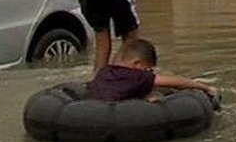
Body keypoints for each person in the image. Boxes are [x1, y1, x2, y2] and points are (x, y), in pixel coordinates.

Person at [86, 38, 217, 102]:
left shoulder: (104, 71)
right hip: (118, 115)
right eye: (148, 69)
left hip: (93, 109)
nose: (149, 73)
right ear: (137, 63)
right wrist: (205, 88)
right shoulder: (137, 75)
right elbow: (176, 82)